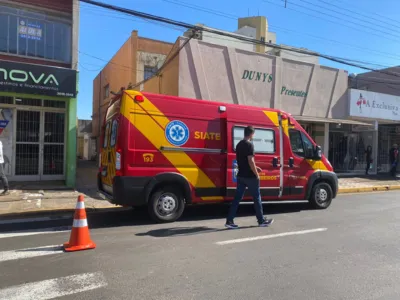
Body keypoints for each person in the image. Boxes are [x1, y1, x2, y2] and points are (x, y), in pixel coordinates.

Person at [225, 126, 274, 229]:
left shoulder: (238, 145)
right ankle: (261, 221)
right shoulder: (249, 145)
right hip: (250, 177)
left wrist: (256, 167)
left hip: (241, 176)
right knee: (257, 198)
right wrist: (256, 173)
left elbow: (243, 161)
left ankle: (229, 220)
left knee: (237, 198)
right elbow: (250, 161)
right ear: (252, 134)